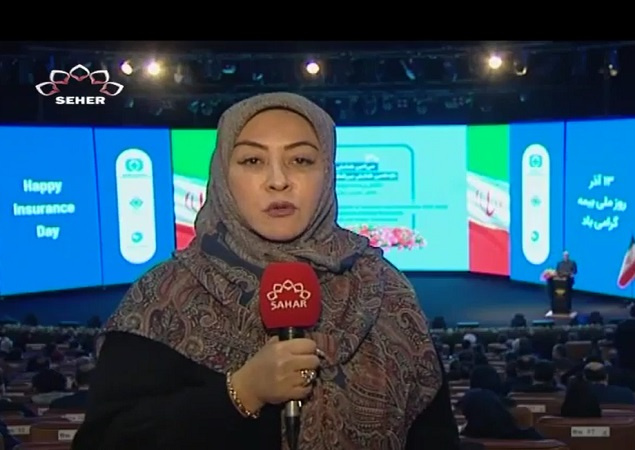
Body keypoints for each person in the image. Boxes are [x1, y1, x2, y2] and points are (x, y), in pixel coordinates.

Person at [72, 93, 459, 450]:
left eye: (301, 160)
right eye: (253, 161)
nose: (278, 181)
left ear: (327, 172)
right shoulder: (163, 296)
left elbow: (434, 434)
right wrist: (241, 393)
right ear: (223, 174)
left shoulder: (384, 289)